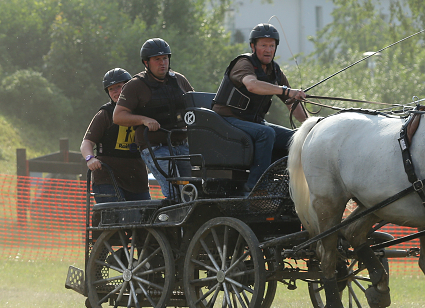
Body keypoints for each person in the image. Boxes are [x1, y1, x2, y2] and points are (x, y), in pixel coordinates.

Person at [212, 23, 307, 192]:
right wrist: (286, 90)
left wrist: (312, 125)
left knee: (294, 139)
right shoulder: (244, 63)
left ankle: (283, 185)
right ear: (253, 46)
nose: (268, 50)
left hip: (253, 122)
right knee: (266, 133)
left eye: (272, 45)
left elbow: (291, 103)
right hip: (227, 120)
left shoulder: (275, 71)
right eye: (263, 45)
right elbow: (252, 85)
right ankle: (257, 187)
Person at [113, 38, 194, 200]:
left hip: (182, 145)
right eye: (157, 59)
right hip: (156, 148)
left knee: (194, 190)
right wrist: (143, 120)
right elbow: (118, 116)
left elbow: (195, 105)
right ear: (146, 62)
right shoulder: (135, 85)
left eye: (165, 58)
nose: (162, 63)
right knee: (176, 193)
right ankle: (173, 224)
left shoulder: (179, 80)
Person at [80, 68, 151, 203]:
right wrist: (90, 158)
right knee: (116, 216)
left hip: (137, 179)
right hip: (107, 177)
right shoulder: (105, 114)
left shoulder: (143, 111)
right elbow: (87, 143)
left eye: (120, 86)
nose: (116, 92)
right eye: (112, 89)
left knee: (144, 219)